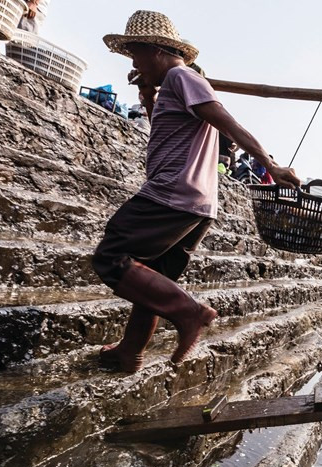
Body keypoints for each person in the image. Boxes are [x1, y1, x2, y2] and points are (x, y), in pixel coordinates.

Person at [94, 10, 299, 372]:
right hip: (196, 203)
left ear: (156, 49)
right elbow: (167, 126)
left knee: (111, 257)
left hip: (172, 193)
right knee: (152, 276)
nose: (134, 62)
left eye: (136, 54)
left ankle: (190, 314)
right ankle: (130, 351)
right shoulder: (172, 84)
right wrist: (146, 92)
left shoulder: (181, 76)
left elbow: (227, 123)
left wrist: (270, 165)